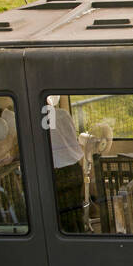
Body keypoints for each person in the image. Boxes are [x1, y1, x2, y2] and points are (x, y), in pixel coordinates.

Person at [47, 95, 87, 233]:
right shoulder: (63, 113)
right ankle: (82, 240)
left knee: (65, 217)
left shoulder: (42, 119)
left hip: (59, 173)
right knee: (76, 211)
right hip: (75, 168)